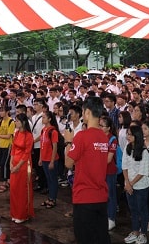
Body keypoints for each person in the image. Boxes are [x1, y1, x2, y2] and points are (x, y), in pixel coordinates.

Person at [64, 96, 110, 244]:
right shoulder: (104, 137)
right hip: (101, 196)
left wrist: (69, 141)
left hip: (84, 196)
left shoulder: (82, 137)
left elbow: (68, 163)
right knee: (100, 237)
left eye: (83, 112)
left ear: (88, 112)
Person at [122, 124, 149, 244]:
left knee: (142, 209)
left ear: (137, 135)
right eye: (127, 134)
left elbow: (143, 171)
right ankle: (135, 231)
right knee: (133, 209)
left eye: (130, 134)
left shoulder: (144, 151)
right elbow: (124, 166)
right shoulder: (127, 147)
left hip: (141, 185)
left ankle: (143, 233)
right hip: (128, 184)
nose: (128, 136)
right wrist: (127, 183)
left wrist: (131, 184)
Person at [9, 113, 35, 224]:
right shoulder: (17, 133)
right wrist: (11, 162)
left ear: (23, 122)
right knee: (14, 189)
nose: (15, 122)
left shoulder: (28, 135)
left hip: (23, 164)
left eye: (17, 121)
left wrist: (18, 166)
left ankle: (23, 214)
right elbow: (13, 148)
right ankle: (15, 213)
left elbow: (27, 153)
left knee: (21, 189)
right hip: (14, 162)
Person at [100, 115, 119, 231]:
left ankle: (111, 218)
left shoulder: (112, 139)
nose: (100, 127)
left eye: (102, 126)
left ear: (108, 128)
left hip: (110, 171)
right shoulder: (99, 138)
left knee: (111, 195)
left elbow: (108, 159)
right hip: (100, 172)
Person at [39, 110, 60, 209]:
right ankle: (50, 197)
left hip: (51, 159)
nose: (42, 119)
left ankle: (53, 199)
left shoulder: (53, 131)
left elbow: (54, 147)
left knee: (53, 179)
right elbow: (42, 145)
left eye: (44, 117)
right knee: (48, 179)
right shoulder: (43, 130)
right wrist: (40, 158)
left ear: (49, 119)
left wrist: (52, 161)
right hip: (44, 158)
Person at [0, 106, 14, 193]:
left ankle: (5, 181)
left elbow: (8, 136)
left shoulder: (11, 122)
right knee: (1, 164)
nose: (1, 113)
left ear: (7, 112)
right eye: (0, 111)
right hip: (1, 146)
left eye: (2, 111)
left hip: (8, 146)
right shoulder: (0, 122)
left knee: (4, 163)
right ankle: (7, 180)